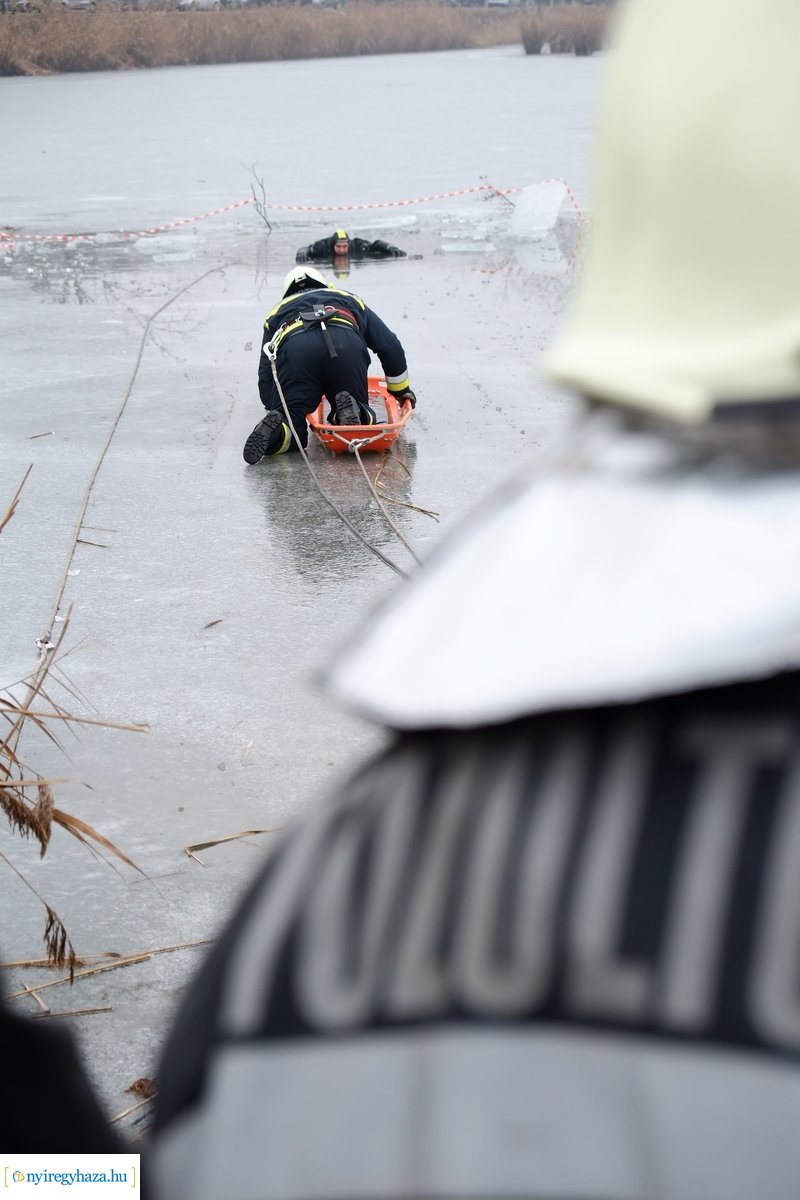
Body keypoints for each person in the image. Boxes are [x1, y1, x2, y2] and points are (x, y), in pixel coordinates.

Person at [152, 1, 800, 1197]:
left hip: (304, 383)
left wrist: (293, 426)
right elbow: (386, 347)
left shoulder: (332, 888)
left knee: (289, 446)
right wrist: (388, 392)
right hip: (339, 367)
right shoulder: (347, 310)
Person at [243, 264, 417, 464]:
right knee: (356, 408)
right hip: (345, 343)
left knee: (290, 420)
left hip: (297, 349)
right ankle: (355, 410)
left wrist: (274, 405)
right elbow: (390, 346)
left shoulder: (276, 312)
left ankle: (278, 429)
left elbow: (266, 371)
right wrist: (400, 390)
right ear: (325, 284)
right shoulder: (349, 298)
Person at [295, 228, 407, 265]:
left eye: (345, 246)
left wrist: (391, 248)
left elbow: (376, 244)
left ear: (349, 244)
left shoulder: (356, 245)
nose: (342, 250)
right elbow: (306, 249)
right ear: (333, 245)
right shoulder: (322, 248)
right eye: (339, 247)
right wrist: (302, 253)